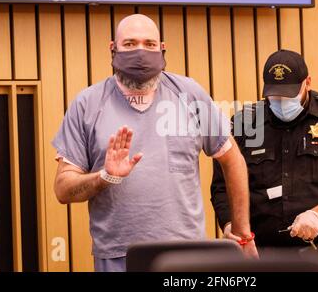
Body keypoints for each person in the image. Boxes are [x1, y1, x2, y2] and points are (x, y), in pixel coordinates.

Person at [52, 14, 258, 272]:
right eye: (129, 44)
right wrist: (105, 177)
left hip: (188, 256)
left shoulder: (189, 93)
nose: (140, 52)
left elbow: (232, 158)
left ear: (162, 48)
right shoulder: (88, 104)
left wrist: (242, 231)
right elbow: (63, 189)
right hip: (118, 258)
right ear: (113, 48)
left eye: (149, 44)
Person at [211, 50, 318, 271]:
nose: (281, 102)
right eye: (274, 95)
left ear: (307, 83)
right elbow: (222, 186)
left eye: (289, 94)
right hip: (264, 256)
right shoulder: (245, 124)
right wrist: (232, 226)